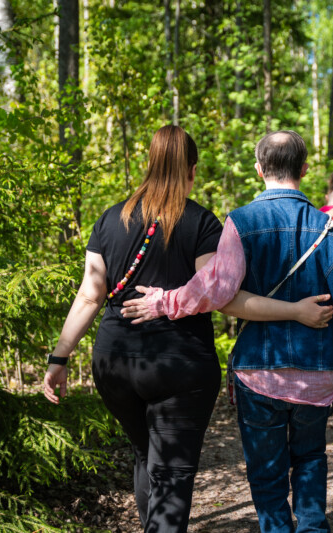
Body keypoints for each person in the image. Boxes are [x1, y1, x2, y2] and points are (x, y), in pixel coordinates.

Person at [120, 131, 333, 533]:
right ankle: (313, 527)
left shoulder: (242, 222)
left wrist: (163, 302)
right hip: (320, 370)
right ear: (305, 169)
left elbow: (214, 289)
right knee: (311, 459)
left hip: (260, 371)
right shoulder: (332, 228)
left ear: (259, 169)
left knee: (267, 472)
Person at [42, 125, 226, 533]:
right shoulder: (201, 222)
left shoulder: (111, 219)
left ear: (150, 163)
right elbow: (210, 291)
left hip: (115, 362)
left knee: (147, 457)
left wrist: (60, 356)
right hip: (180, 363)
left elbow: (89, 294)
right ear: (192, 169)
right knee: (171, 473)